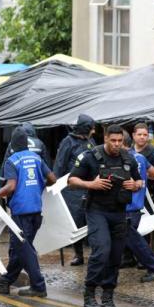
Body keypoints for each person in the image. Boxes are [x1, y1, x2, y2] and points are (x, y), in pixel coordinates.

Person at [69, 125, 143, 307]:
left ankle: (108, 298)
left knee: (115, 256)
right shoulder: (91, 157)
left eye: (120, 141)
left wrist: (135, 185)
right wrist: (91, 184)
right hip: (96, 211)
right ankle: (89, 295)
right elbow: (72, 180)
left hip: (119, 212)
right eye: (113, 141)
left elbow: (140, 181)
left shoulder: (128, 158)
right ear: (106, 138)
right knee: (101, 250)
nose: (117, 144)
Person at [0, 128, 57, 297]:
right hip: (36, 212)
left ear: (12, 144)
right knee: (20, 249)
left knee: (24, 250)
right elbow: (52, 179)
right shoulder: (37, 158)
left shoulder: (12, 160)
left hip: (21, 212)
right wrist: (39, 185)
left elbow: (10, 187)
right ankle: (5, 282)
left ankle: (38, 286)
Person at [122, 132, 154, 283]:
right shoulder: (140, 158)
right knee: (130, 239)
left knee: (135, 240)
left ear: (123, 144)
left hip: (127, 208)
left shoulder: (123, 160)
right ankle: (129, 260)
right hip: (135, 207)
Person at [53, 114, 96, 266]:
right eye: (91, 128)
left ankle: (96, 254)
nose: (94, 131)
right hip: (72, 189)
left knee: (91, 220)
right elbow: (59, 165)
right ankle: (79, 254)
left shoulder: (91, 141)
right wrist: (56, 186)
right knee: (76, 222)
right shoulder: (68, 142)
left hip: (90, 186)